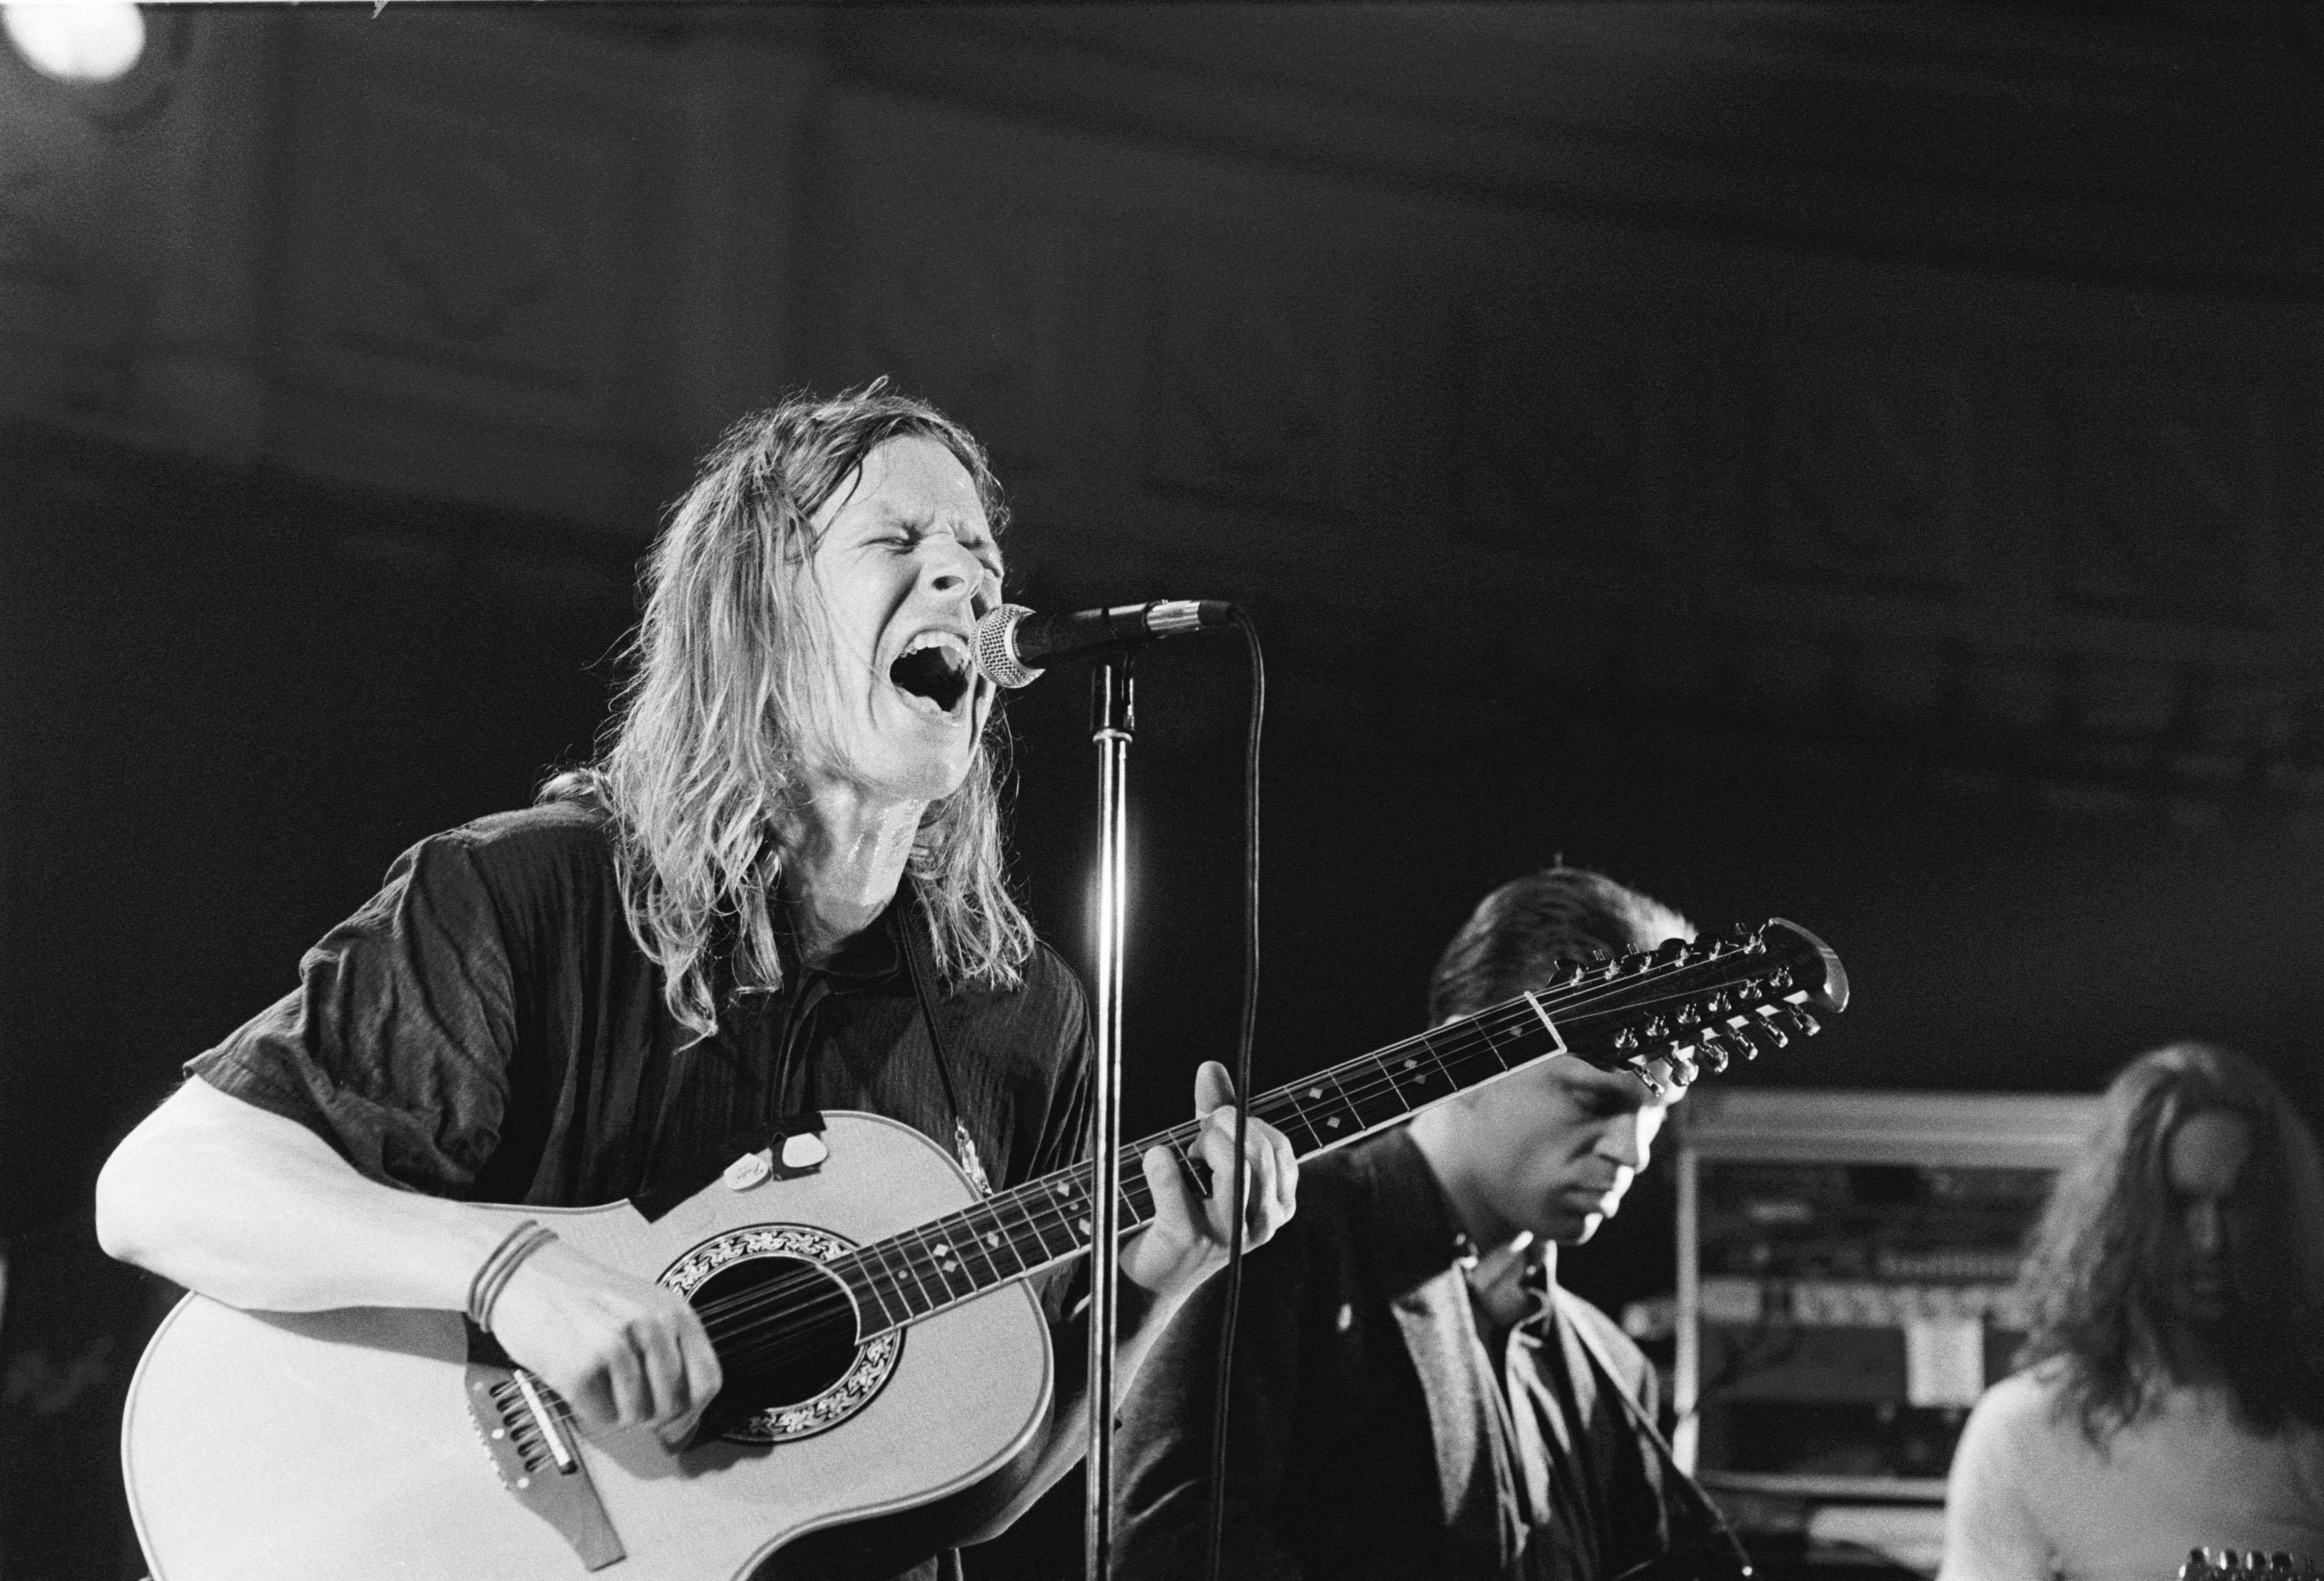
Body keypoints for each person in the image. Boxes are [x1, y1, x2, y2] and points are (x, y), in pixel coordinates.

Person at [93, 384, 1298, 1580]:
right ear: (757, 613)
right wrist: (512, 1276)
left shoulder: (1019, 1015)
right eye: (896, 541)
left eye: (981, 555)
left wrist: (1147, 1296)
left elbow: (968, 1480)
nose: (968, 582)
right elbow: (162, 1185)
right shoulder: (537, 896)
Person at [1117, 866, 1706, 1581]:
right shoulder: (1266, 1240)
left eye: (1656, 1114)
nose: (1633, 1151)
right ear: (1468, 1058)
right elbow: (1167, 1549)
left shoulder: (1617, 1370)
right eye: (1590, 1100)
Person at [1939, 1042, 2324, 1581]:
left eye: (2235, 1203)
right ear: (2120, 1221)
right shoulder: (2020, 1433)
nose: (2210, 1240)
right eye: (2181, 1205)